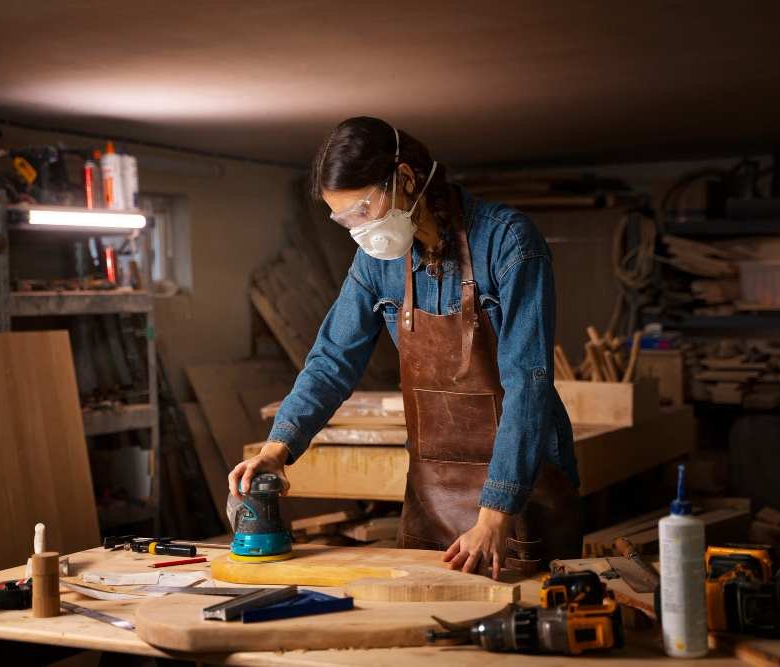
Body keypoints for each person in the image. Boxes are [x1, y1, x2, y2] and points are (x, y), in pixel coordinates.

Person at [228, 117, 580, 579]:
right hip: (431, 491)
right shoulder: (376, 264)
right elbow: (332, 361)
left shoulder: (508, 242)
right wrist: (278, 447)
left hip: (522, 489)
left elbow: (528, 386)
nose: (358, 230)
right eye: (344, 219)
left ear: (407, 179)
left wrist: (496, 512)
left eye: (364, 209)